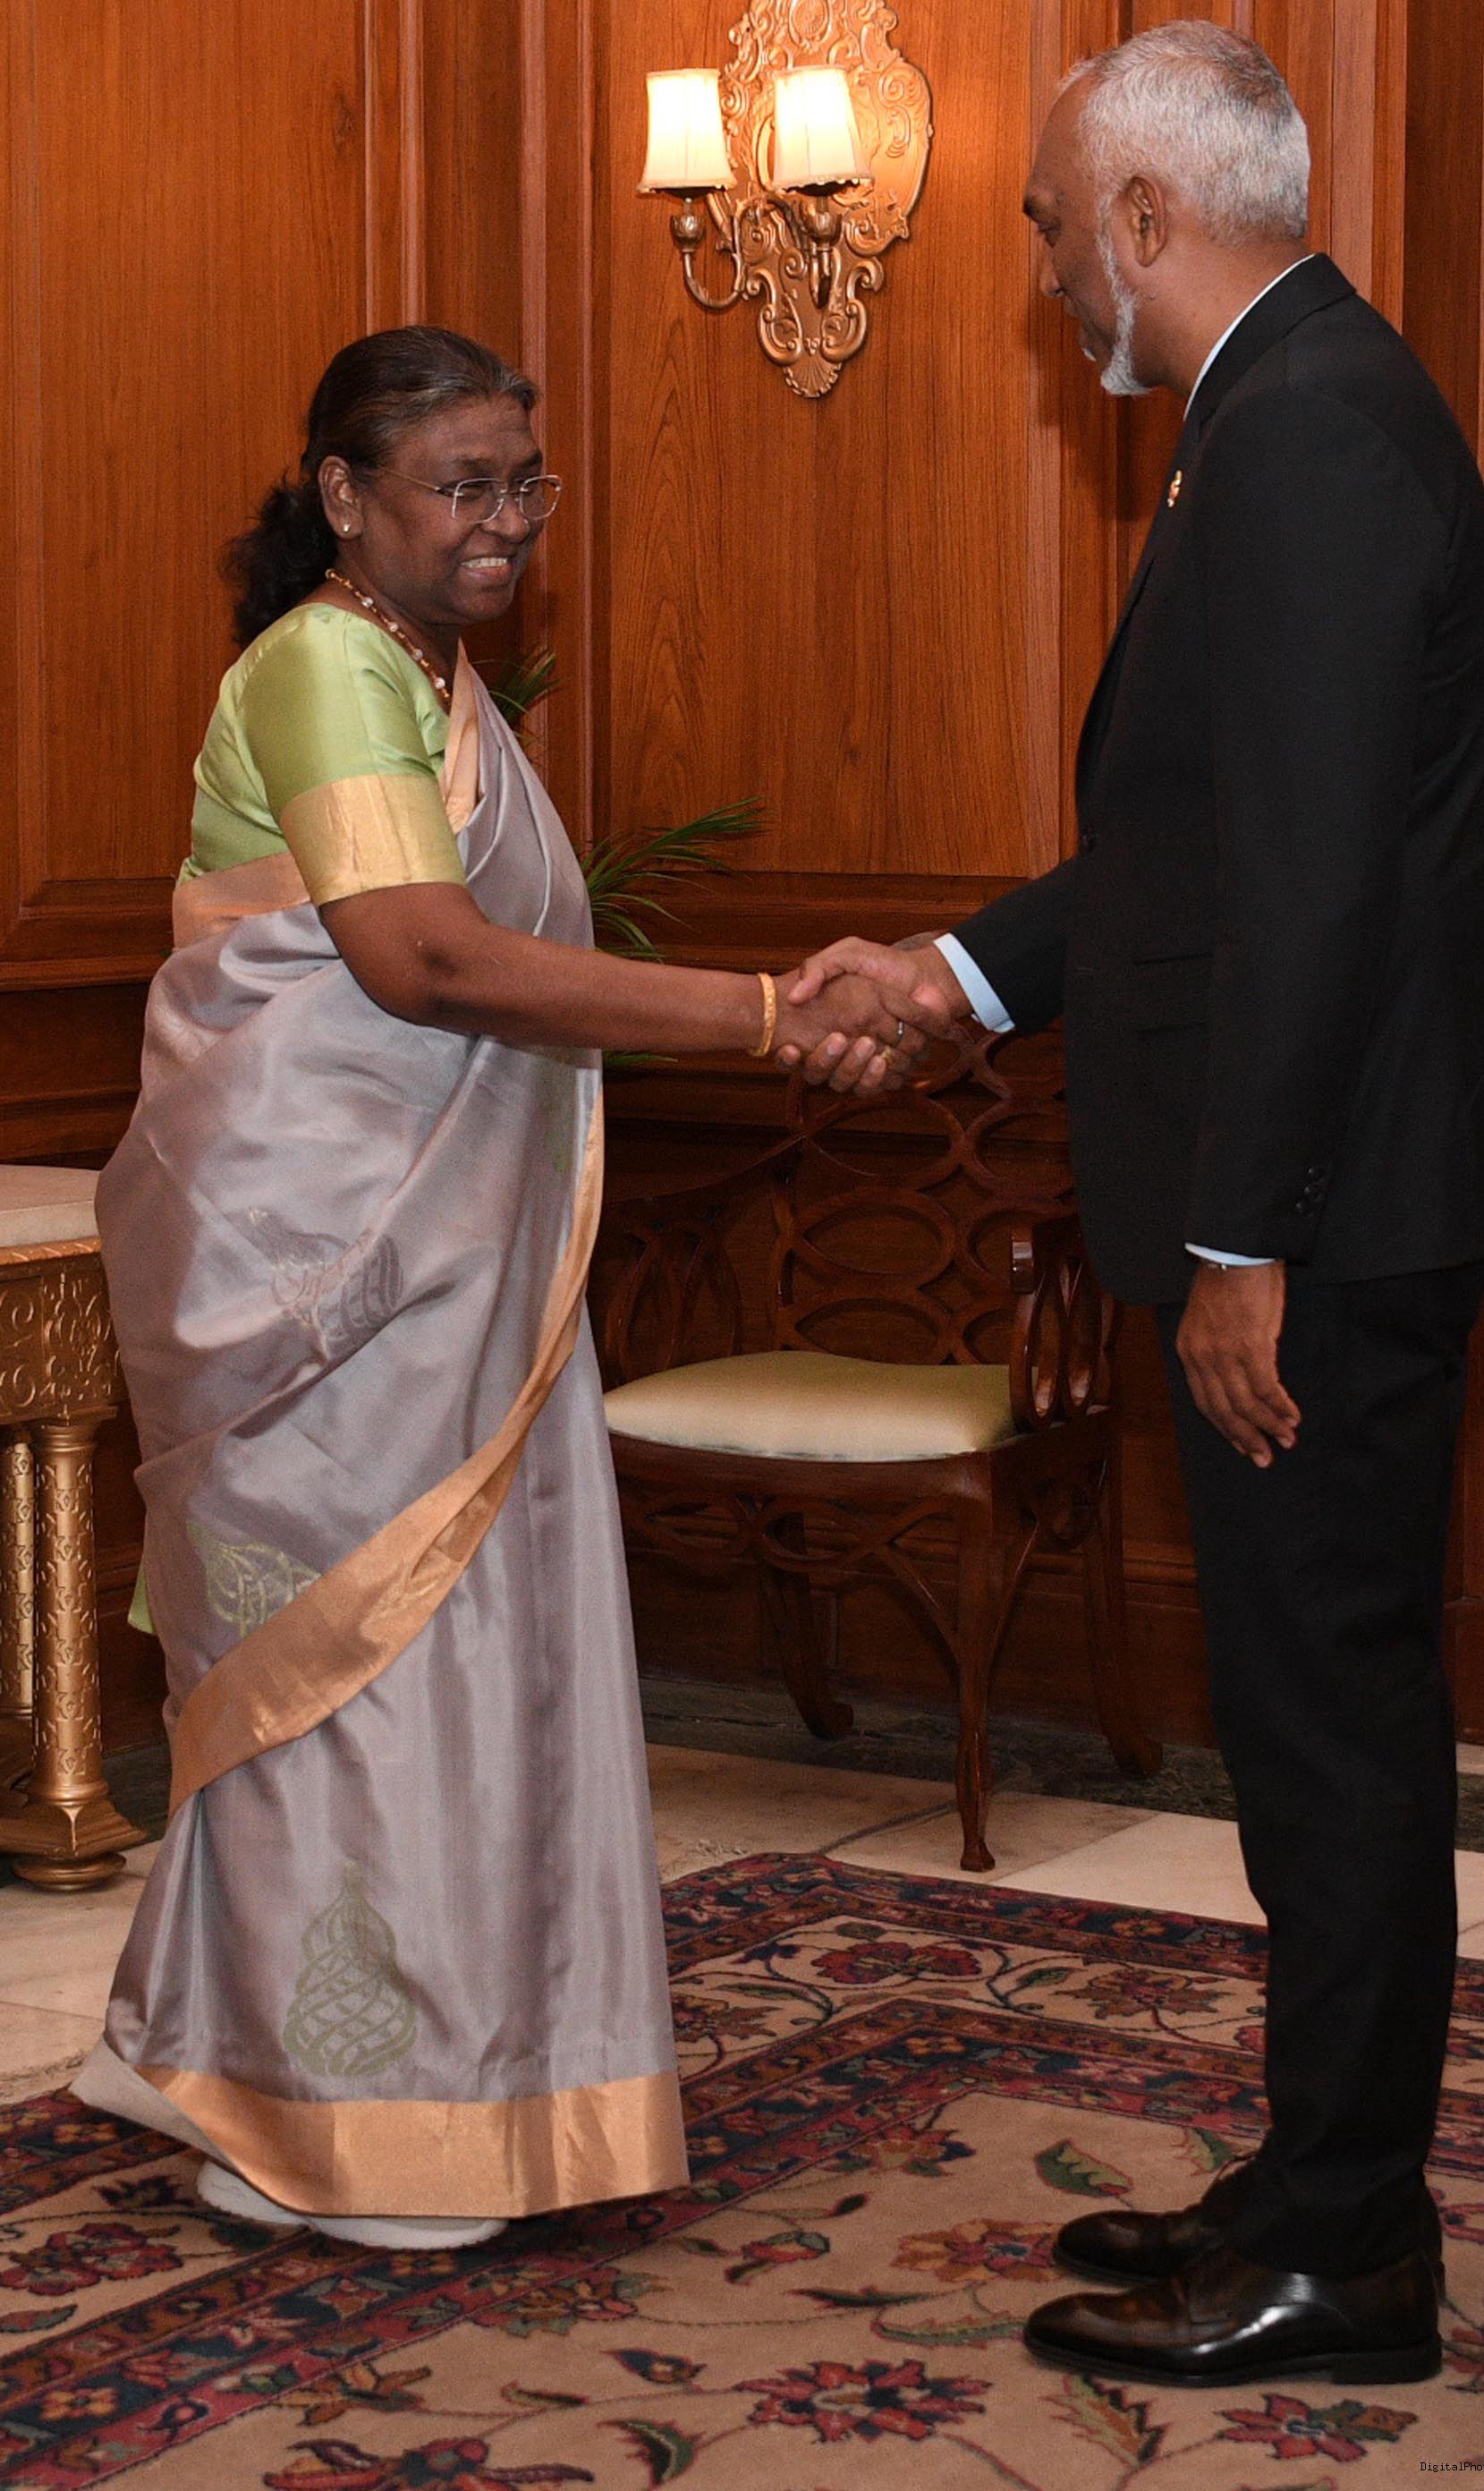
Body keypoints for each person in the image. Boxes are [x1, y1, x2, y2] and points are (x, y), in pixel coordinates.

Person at [786, 24, 1484, 2387]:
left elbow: (1316, 891)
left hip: (1325, 1214)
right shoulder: (1293, 405)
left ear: (1143, 215)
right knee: (1307, 1709)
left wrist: (1247, 1241)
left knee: (1327, 1726)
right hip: (1342, 1185)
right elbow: (1197, 852)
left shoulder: (1304, 427)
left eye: (1048, 227)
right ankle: (1319, 2181)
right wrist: (948, 975)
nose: (1045, 277)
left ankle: (1350, 2258)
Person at [73, 325, 937, 2251]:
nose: (505, 521)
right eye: (461, 484)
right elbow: (428, 964)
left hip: (437, 1261)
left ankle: (227, 2047)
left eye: (524, 483)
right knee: (365, 1673)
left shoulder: (426, 677)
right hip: (321, 1273)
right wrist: (772, 1013)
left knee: (411, 1669)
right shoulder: (324, 665)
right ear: (343, 494)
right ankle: (357, 2124)